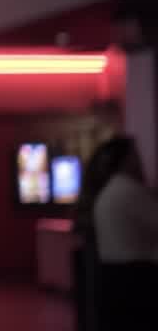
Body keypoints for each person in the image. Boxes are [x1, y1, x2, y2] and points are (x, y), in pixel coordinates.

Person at [78, 136, 158, 330]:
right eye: (136, 155)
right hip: (138, 279)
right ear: (127, 159)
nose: (141, 161)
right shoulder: (130, 190)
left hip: (111, 276)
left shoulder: (107, 192)